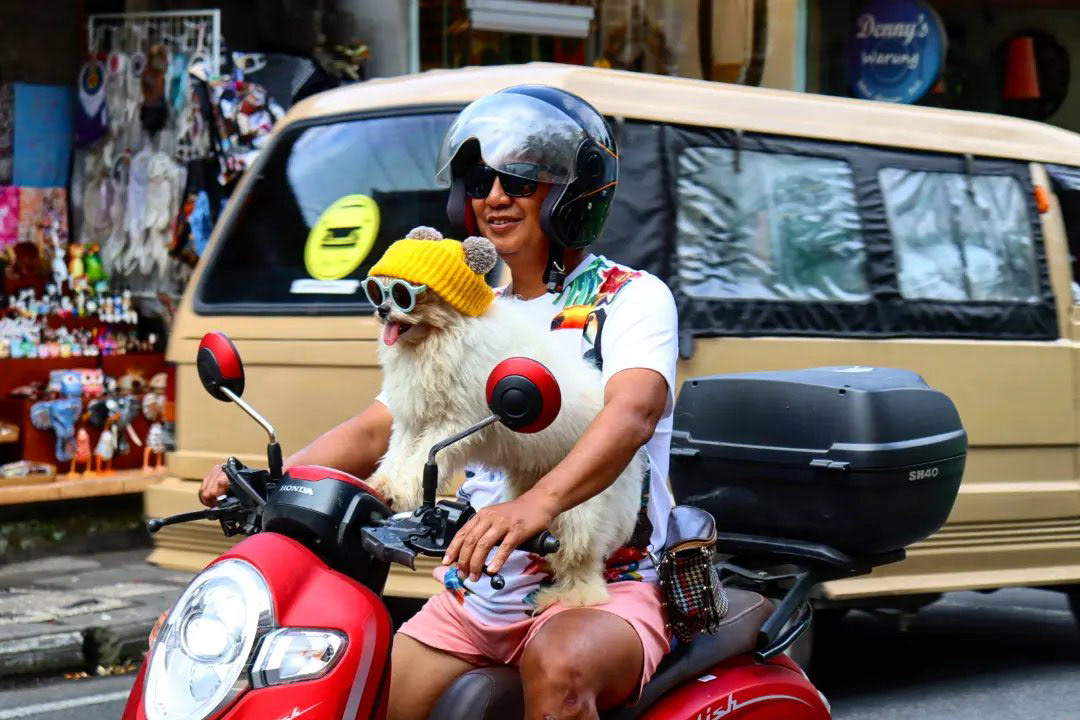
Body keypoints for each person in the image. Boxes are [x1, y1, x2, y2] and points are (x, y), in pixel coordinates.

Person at [198, 85, 679, 720]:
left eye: (522, 180)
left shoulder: (632, 298)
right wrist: (272, 480)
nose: (495, 197)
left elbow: (633, 413)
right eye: (480, 180)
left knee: (560, 671)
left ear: (572, 194)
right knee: (358, 692)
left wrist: (537, 503)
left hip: (609, 580)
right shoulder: (459, 307)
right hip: (478, 589)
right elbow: (381, 426)